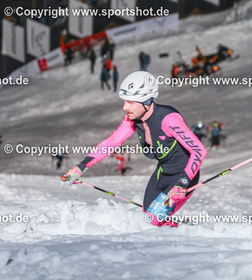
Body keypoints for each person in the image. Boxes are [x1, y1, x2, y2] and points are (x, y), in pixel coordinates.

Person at [62, 71, 207, 227]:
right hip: (162, 172)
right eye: (125, 102)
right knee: (147, 220)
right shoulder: (133, 119)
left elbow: (199, 150)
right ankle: (180, 232)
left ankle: (188, 235)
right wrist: (81, 167)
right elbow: (112, 142)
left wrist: (182, 183)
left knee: (152, 221)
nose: (125, 107)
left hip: (184, 175)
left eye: (130, 102)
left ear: (147, 101)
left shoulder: (168, 119)